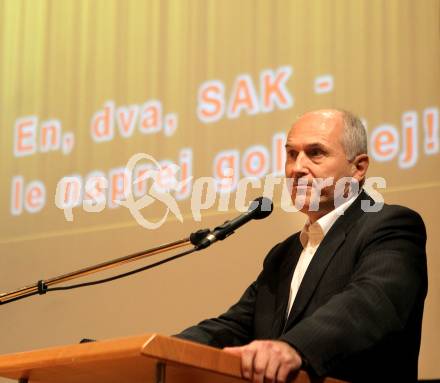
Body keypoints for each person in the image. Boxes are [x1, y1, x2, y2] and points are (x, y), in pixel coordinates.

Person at [176, 109, 427, 383]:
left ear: (359, 168)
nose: (296, 168)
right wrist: (163, 349)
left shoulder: (391, 225)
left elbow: (371, 303)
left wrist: (295, 347)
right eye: (291, 154)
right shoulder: (283, 255)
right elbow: (234, 326)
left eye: (316, 153)